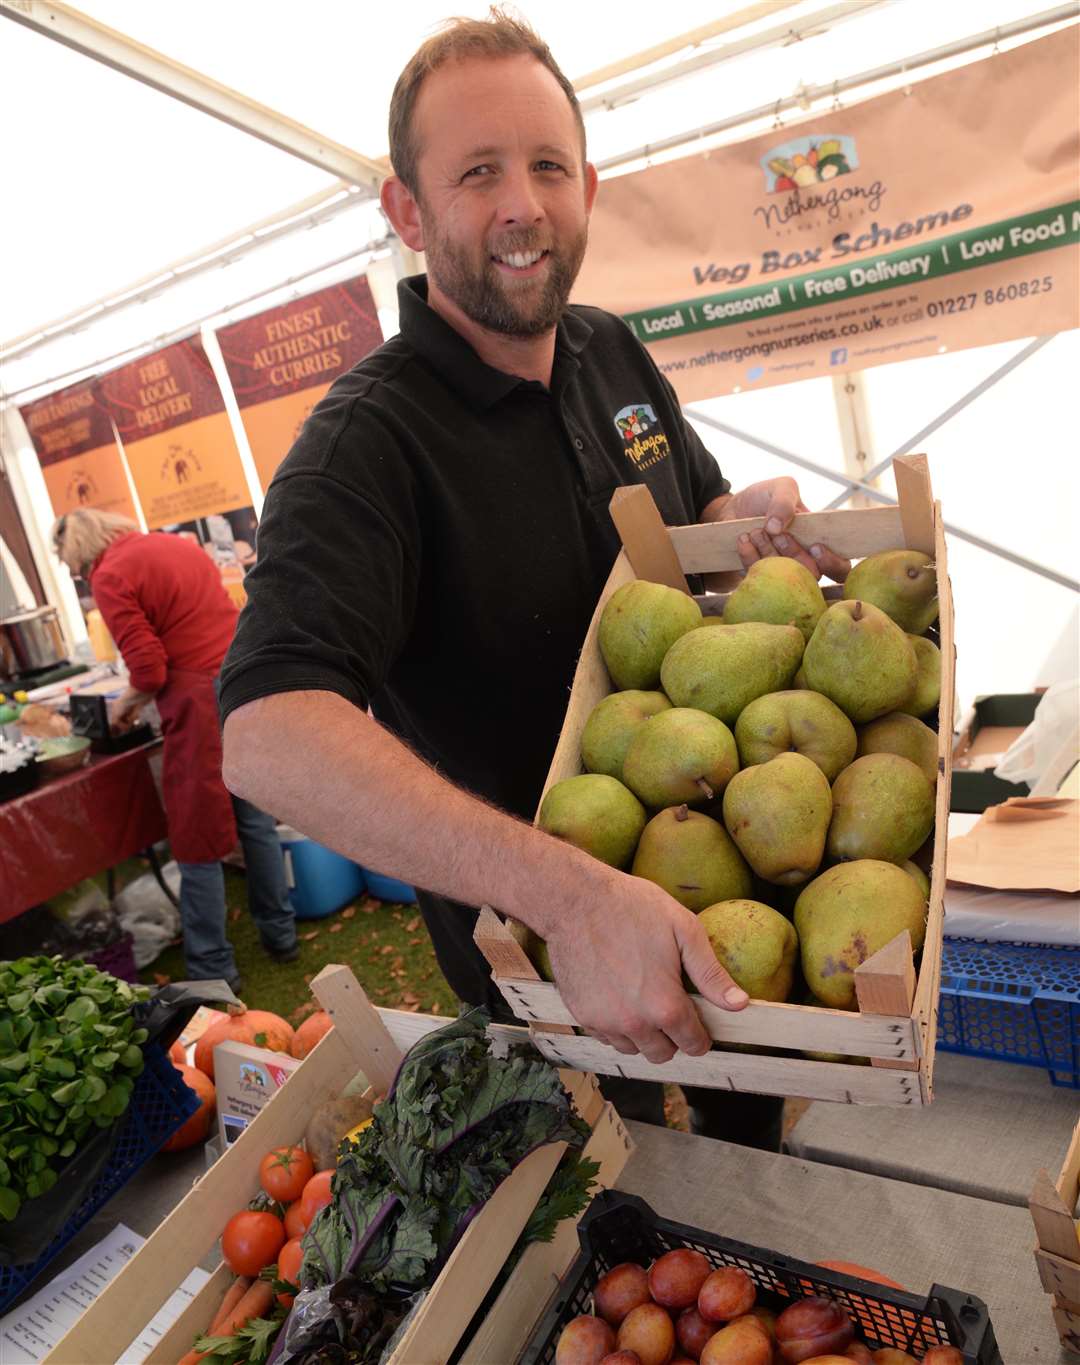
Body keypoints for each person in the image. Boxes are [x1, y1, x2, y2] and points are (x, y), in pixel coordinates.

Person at [219, 12, 850, 1145]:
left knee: (753, 1164)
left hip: (718, 870)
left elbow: (690, 519)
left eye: (548, 166)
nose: (524, 205)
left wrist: (741, 523)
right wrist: (572, 895)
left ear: (591, 187)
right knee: (615, 1214)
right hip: (540, 965)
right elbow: (268, 731)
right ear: (404, 209)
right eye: (477, 172)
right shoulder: (367, 445)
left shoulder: (610, 348)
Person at [53, 508, 298, 991]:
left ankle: (212, 967)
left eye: (72, 565)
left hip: (197, 698)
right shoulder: (173, 545)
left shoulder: (109, 574)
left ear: (80, 551)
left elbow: (149, 670)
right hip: (238, 677)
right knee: (253, 816)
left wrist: (125, 705)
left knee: (195, 835)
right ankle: (281, 933)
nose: (79, 575)